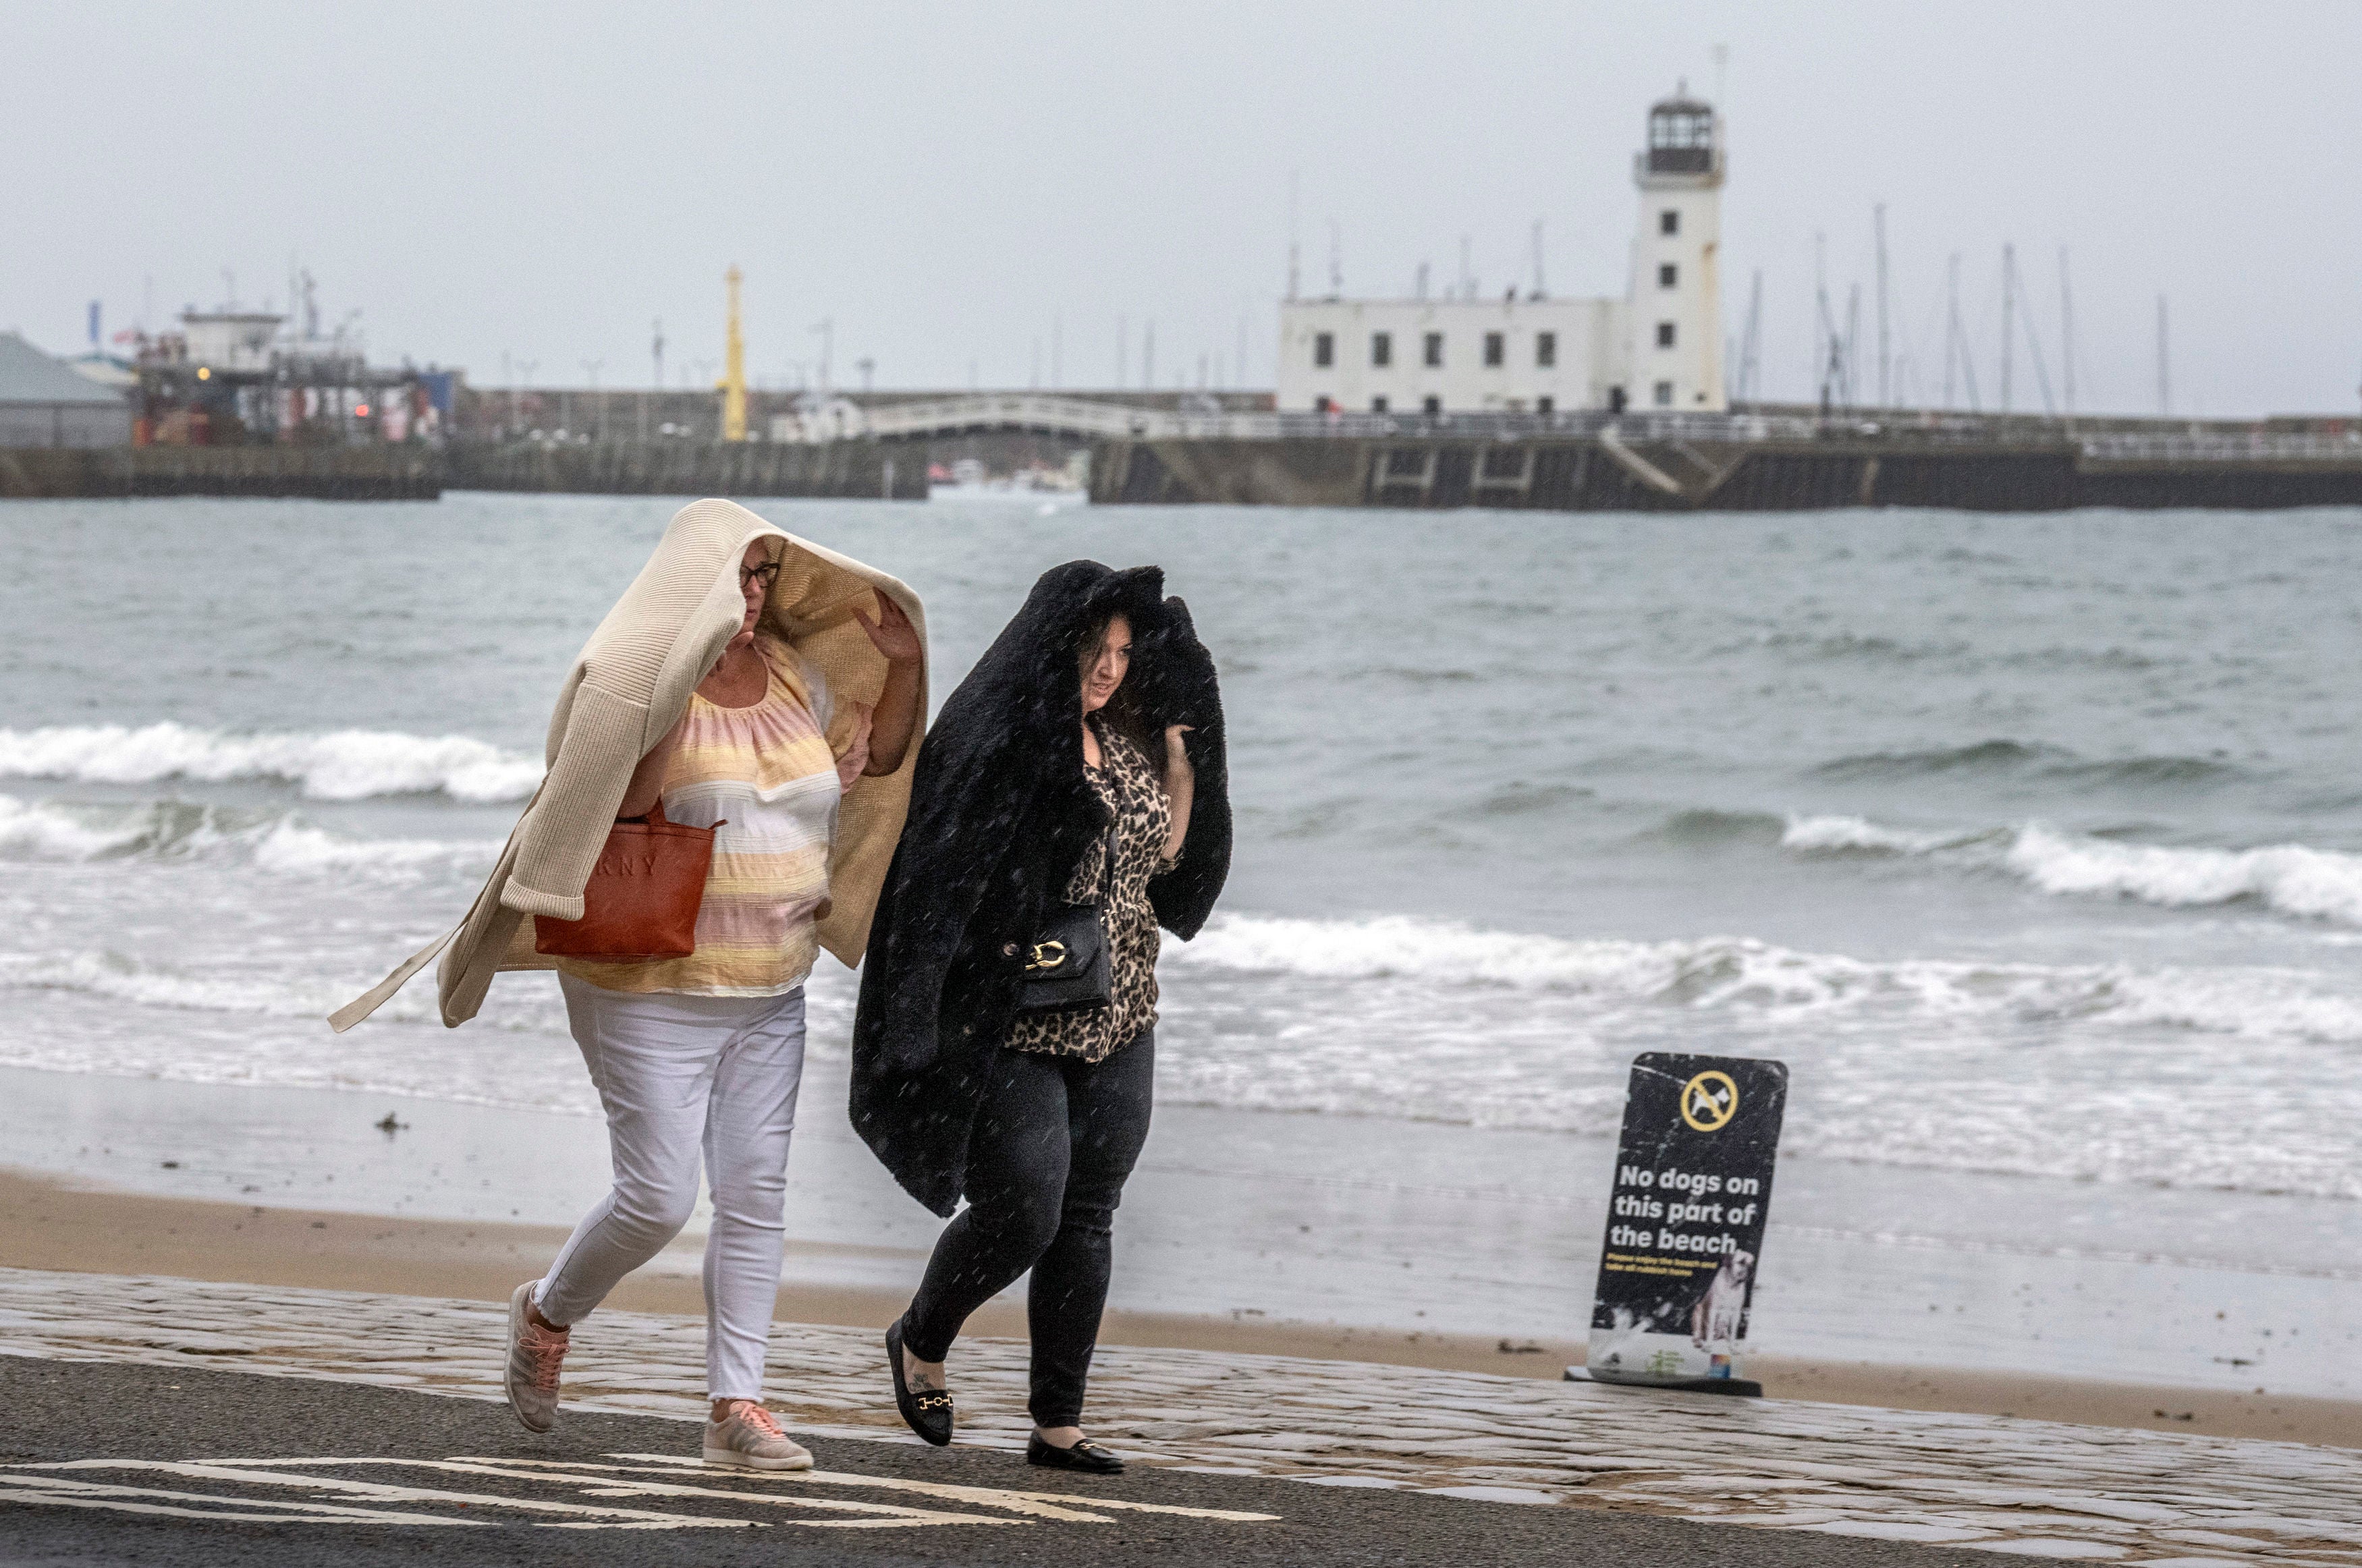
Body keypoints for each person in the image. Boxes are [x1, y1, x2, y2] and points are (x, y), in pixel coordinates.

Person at [331, 497, 926, 1470]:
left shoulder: (792, 673)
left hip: (772, 987)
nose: (751, 596)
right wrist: (672, 685)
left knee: (754, 1194)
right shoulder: (643, 685)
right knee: (656, 1198)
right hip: (647, 984)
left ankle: (736, 1408)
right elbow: (633, 804)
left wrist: (901, 664)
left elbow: (882, 761)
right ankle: (546, 1312)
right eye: (737, 577)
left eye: (764, 579)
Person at [850, 561, 1230, 1476]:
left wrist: (1180, 761)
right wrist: (921, 1013)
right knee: (1026, 1207)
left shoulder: (1128, 742)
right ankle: (921, 1336)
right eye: (1092, 650)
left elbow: (1164, 859)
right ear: (1053, 645)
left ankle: (1057, 1425)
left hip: (1123, 1010)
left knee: (1090, 1213)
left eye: (1122, 653)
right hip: (1015, 1018)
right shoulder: (1001, 744)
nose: (1107, 669)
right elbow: (938, 875)